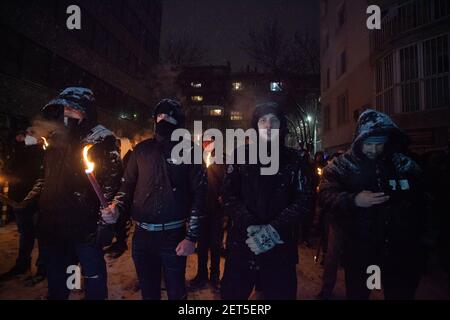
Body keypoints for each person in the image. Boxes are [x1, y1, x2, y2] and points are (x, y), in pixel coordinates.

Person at [318, 109, 434, 300]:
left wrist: (424, 242)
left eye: (379, 144)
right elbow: (325, 195)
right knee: (360, 293)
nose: (373, 150)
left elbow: (425, 201)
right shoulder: (343, 165)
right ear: (359, 140)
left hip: (400, 252)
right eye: (369, 144)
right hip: (361, 251)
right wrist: (353, 199)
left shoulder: (403, 164)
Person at [21, 87, 123, 300]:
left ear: (86, 110)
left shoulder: (101, 138)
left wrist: (105, 221)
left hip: (85, 229)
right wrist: (32, 201)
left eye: (74, 108)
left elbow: (112, 184)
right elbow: (46, 175)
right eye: (65, 107)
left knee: (93, 280)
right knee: (61, 280)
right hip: (54, 227)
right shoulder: (55, 138)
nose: (68, 112)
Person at [103, 99, 207, 300]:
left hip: (173, 236)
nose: (163, 120)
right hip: (142, 235)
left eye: (168, 116)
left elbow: (200, 195)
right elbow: (127, 186)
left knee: (176, 292)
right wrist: (116, 206)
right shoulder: (142, 150)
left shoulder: (191, 151)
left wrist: (191, 237)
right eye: (159, 116)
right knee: (149, 291)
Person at [220, 102, 313, 300]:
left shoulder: (295, 159)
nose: (268, 126)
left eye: (274, 121)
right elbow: (228, 195)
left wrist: (272, 230)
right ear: (256, 126)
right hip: (242, 245)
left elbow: (304, 199)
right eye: (263, 121)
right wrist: (251, 225)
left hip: (279, 249)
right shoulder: (240, 154)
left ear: (281, 126)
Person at [0, 127, 45, 282]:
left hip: (36, 200)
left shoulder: (43, 152)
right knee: (25, 235)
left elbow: (42, 176)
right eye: (25, 133)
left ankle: (42, 268)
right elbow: (10, 168)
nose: (27, 136)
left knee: (42, 235)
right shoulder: (17, 150)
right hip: (18, 199)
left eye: (32, 133)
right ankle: (22, 264)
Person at [189, 137, 226, 292]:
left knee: (215, 245)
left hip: (216, 210)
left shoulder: (222, 159)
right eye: (204, 142)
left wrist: (223, 195)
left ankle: (215, 276)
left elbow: (228, 181)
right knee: (202, 245)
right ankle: (201, 274)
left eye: (209, 142)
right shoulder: (196, 158)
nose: (206, 144)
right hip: (202, 209)